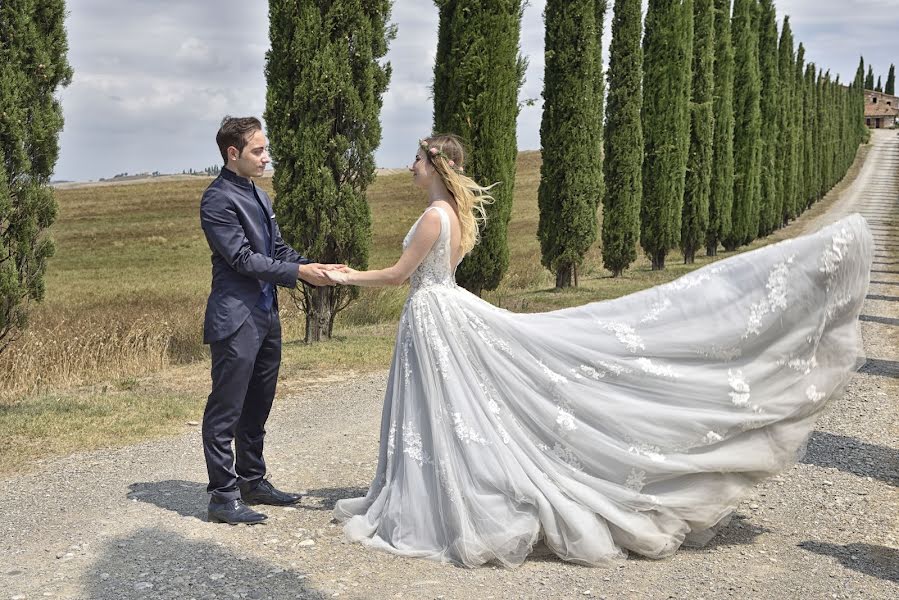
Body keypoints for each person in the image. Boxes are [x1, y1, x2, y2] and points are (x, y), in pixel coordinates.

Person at [325, 133, 873, 567]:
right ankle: (454, 487)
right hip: (446, 310)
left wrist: (346, 276)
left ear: (434, 164)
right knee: (461, 409)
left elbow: (400, 276)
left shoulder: (432, 216)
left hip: (432, 314)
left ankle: (443, 498)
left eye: (417, 160)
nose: (411, 167)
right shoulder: (459, 217)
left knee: (449, 409)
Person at [200, 116, 340, 524]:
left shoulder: (258, 193)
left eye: (265, 149)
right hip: (236, 318)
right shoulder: (217, 199)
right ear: (233, 154)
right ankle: (222, 497)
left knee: (258, 404)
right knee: (226, 409)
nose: (266, 157)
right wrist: (299, 274)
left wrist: (314, 266)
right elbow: (243, 259)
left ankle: (252, 480)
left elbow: (277, 249)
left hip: (265, 315)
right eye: (258, 151)